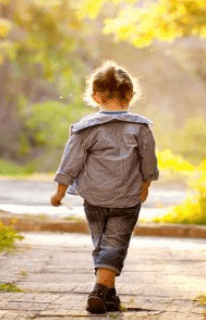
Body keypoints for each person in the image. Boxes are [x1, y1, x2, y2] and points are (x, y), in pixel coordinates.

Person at [50, 61, 159, 314]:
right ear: (130, 95)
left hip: (94, 198)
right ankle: (99, 291)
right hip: (127, 198)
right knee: (115, 243)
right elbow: (149, 159)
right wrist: (146, 183)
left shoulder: (86, 129)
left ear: (95, 96)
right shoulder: (140, 128)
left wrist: (60, 192)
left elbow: (70, 161)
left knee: (103, 243)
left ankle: (109, 296)